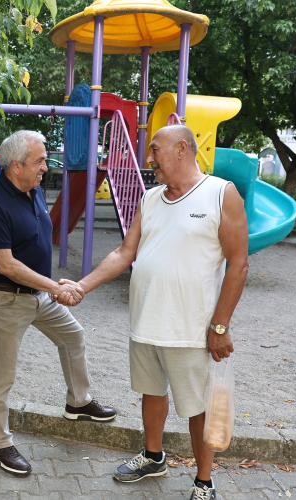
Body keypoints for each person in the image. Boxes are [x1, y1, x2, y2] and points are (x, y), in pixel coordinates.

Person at [61, 125, 249, 500]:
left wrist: (220, 325)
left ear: (181, 149)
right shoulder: (149, 198)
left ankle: (204, 482)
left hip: (190, 329)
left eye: (154, 150)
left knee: (197, 408)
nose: (148, 160)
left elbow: (239, 263)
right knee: (151, 392)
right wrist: (82, 286)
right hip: (146, 321)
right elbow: (124, 253)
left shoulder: (220, 193)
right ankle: (153, 457)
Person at [0, 130, 116, 476]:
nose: (46, 167)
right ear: (16, 166)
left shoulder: (33, 188)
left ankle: (78, 402)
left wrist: (49, 287)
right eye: (39, 161)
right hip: (5, 299)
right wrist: (55, 286)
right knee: (1, 374)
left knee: (73, 336)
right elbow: (6, 265)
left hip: (39, 295)